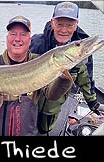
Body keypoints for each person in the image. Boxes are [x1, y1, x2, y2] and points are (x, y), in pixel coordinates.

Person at [0, 15, 73, 136]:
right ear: (7, 38)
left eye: (23, 34)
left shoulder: (40, 62)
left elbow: (52, 95)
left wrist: (64, 79)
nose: (17, 39)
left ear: (30, 39)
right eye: (13, 34)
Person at [30, 1, 104, 134]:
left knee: (44, 129)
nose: (64, 30)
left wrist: (93, 103)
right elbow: (16, 66)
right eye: (59, 24)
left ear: (76, 25)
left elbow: (86, 81)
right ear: (52, 23)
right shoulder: (36, 43)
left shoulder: (81, 54)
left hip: (52, 106)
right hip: (29, 102)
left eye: (69, 25)